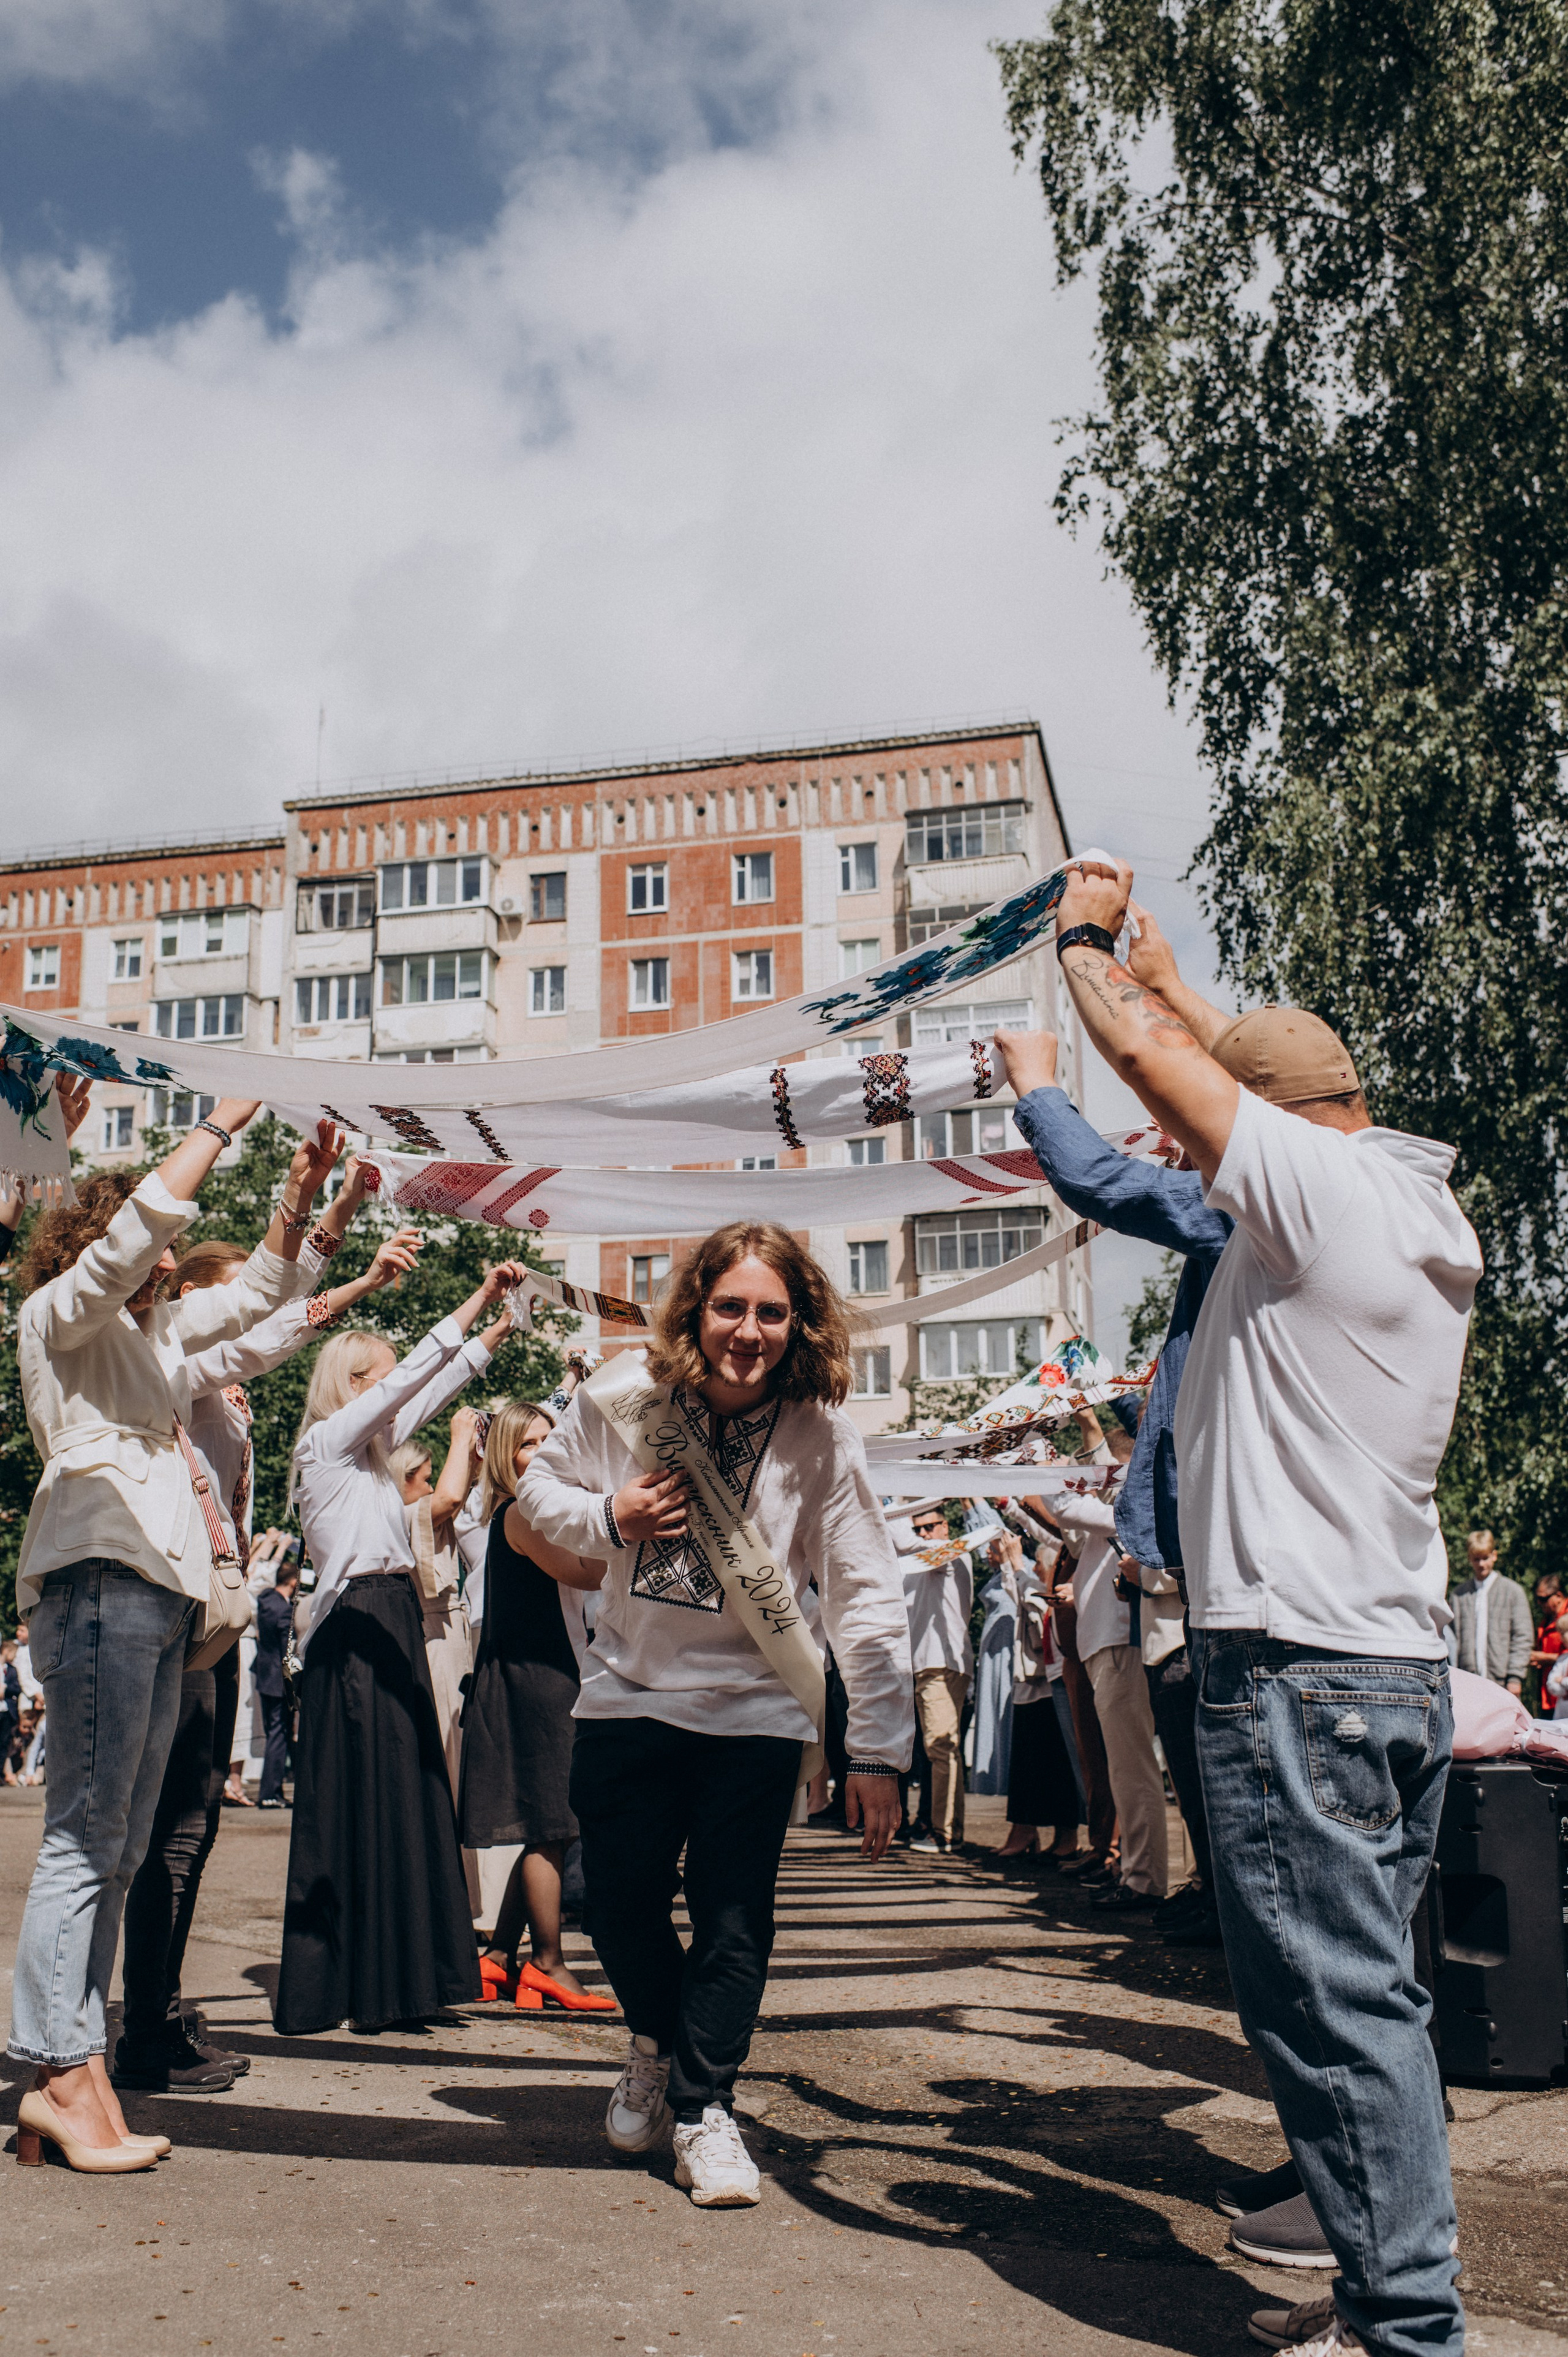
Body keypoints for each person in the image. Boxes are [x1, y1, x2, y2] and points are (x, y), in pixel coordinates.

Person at [1008, 854, 1482, 2357]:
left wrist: (1082, 952)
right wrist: (1171, 980)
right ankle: (1378, 2296)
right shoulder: (1395, 1195)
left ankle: (1403, 2327)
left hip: (1296, 1666)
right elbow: (1235, 1067)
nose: (1186, 1144)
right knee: (1368, 1999)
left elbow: (1165, 1076)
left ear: (1270, 1130)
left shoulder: (1314, 1198)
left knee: (1328, 2008)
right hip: (1377, 1662)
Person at [521, 1220, 912, 2208]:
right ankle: (656, 2043)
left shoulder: (823, 1432)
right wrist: (610, 1517)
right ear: (697, 1307)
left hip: (757, 1712)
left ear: (799, 1321)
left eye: (771, 1312)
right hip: (628, 1697)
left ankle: (705, 2109)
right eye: (731, 1306)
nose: (748, 1330)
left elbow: (865, 1591)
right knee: (619, 1905)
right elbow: (533, 1493)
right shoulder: (625, 1394)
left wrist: (876, 1746)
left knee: (735, 1919)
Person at [9, 1096, 325, 2173]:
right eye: (160, 1245)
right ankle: (58, 2071)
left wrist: (300, 1197)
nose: (174, 1261)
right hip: (100, 1575)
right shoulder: (60, 1313)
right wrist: (220, 1126)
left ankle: (77, 2063)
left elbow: (262, 1295)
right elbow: (129, 1243)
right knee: (85, 1835)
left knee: (122, 1842)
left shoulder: (147, 1338)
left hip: (151, 1592)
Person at [1001, 939, 1234, 1937]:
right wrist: (1168, 986)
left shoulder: (1258, 1210)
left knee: (1197, 1759)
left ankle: (1202, 1895)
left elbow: (1103, 1178)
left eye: (1191, 1132)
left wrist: (1037, 1077)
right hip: (1177, 1589)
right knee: (1190, 1756)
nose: (1178, 1149)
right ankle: (1209, 1894)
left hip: (1207, 1587)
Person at [273, 1258, 528, 2036]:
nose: (394, 1394)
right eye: (381, 1380)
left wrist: (497, 1327)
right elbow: (417, 1375)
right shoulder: (325, 1447)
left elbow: (434, 1385)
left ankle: (406, 1977)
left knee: (407, 1794)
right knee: (372, 1796)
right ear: (354, 1385)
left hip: (389, 1614)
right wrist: (477, 1295)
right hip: (357, 1621)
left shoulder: (373, 1462)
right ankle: (370, 1983)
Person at [459, 1395, 616, 2015]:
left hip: (540, 1674)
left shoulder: (523, 1509)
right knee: (552, 1826)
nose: (544, 1451)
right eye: (529, 1443)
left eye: (551, 1439)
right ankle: (547, 1964)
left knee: (545, 1826)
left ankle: (500, 1956)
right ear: (506, 1455)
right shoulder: (525, 1510)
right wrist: (624, 1519)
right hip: (540, 1680)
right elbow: (589, 1574)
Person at [1049, 1406, 1168, 1912]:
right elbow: (1073, 1528)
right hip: (1105, 1643)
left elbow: (1066, 1506)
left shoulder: (1127, 1506)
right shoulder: (1109, 1511)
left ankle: (1144, 1879)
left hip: (1120, 1642)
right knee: (1125, 1769)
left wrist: (1035, 1451)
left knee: (1132, 1768)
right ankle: (1137, 1872)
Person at [992, 1529, 1082, 1868]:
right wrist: (1010, 1563)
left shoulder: (1048, 1596)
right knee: (1030, 1766)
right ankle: (1030, 1831)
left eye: (1042, 1568)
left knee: (1058, 1766)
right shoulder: (1032, 1588)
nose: (1038, 1571)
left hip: (1048, 1683)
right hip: (1032, 1686)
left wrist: (1016, 1563)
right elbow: (1019, 1591)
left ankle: (1066, 1837)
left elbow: (1031, 1600)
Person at [895, 1503, 973, 1855]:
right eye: (919, 1529)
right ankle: (943, 1828)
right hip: (924, 1664)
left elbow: (902, 1540)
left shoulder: (952, 1552)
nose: (924, 1534)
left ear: (946, 1527)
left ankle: (946, 1833)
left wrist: (891, 1505)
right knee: (938, 1749)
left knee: (943, 1748)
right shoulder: (919, 1562)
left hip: (941, 1662)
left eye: (931, 1527)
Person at [1449, 1530, 1531, 1697]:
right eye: (1476, 1559)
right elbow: (1450, 1639)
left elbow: (1523, 1636)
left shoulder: (1512, 1592)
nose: (1481, 1564)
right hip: (1468, 1682)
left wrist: (1515, 1677)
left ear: (1494, 1556)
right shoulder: (1458, 1596)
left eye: (1485, 1558)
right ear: (1469, 1559)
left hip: (1502, 1682)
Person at [253, 1561, 298, 1808]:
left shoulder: (266, 1600)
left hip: (264, 1676)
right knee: (279, 1734)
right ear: (293, 1582)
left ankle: (274, 1791)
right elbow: (286, 1650)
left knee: (276, 1733)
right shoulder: (283, 1609)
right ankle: (270, 1794)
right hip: (279, 1680)